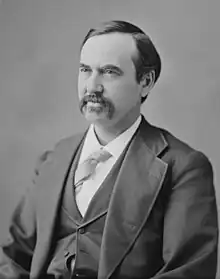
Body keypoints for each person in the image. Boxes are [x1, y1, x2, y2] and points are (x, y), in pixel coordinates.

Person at [0, 20, 218, 279]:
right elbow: (14, 257)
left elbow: (188, 272)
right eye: (85, 70)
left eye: (109, 72)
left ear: (145, 82)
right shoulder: (54, 158)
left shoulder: (183, 167)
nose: (91, 87)